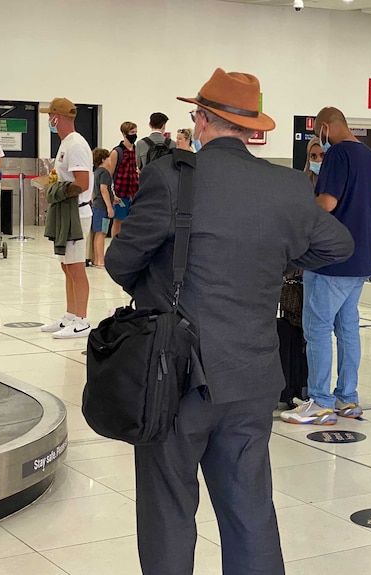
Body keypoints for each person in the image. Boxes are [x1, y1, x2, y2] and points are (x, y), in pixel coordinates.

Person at [105, 68, 353, 575]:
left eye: (196, 113)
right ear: (250, 128)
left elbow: (118, 261)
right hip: (253, 378)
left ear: (202, 120)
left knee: (169, 509)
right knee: (250, 510)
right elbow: (339, 245)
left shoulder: (172, 178)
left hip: (174, 377)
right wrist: (276, 260)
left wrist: (157, 285)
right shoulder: (285, 186)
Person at [280, 107, 371, 426]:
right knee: (348, 328)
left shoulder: (337, 154)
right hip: (362, 257)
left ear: (325, 127)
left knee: (318, 328)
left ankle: (320, 402)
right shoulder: (368, 156)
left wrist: (299, 213)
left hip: (331, 260)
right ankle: (347, 399)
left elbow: (327, 203)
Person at [38, 99, 93, 339]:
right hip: (65, 211)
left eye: (49, 116)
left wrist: (56, 190)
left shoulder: (76, 145)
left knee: (76, 266)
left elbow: (82, 183)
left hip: (77, 213)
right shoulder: (65, 144)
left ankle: (81, 320)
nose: (48, 120)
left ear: (55, 118)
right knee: (65, 265)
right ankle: (70, 315)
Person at [108, 122, 138, 237]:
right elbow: (109, 174)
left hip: (135, 193)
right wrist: (113, 194)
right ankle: (115, 242)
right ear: (124, 134)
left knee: (133, 221)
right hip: (121, 193)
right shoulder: (117, 152)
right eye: (132, 132)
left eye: (136, 132)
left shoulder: (137, 150)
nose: (134, 135)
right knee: (118, 220)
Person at [90, 148, 115, 268]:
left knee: (98, 233)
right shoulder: (105, 173)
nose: (111, 159)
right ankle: (100, 260)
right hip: (102, 207)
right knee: (101, 233)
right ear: (104, 159)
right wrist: (109, 207)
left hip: (96, 206)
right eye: (109, 157)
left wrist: (113, 198)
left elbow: (95, 192)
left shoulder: (96, 172)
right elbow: (104, 189)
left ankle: (97, 259)